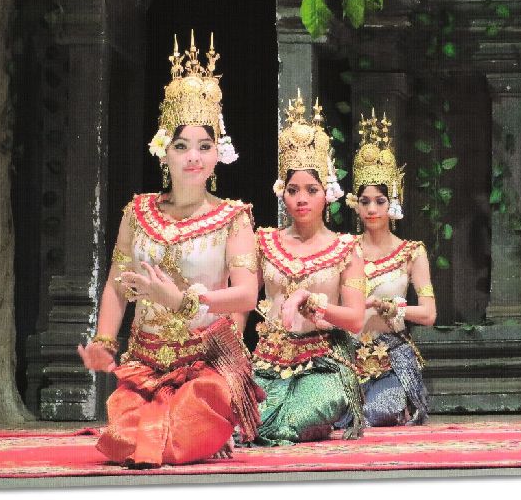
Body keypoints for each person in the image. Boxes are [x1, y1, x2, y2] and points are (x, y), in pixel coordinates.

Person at [78, 31, 263, 468]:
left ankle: (210, 428)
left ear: (220, 153)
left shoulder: (234, 217)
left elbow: (247, 296)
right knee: (121, 442)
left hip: (206, 365)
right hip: (145, 366)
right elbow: (117, 287)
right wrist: (104, 340)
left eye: (204, 146)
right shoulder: (137, 212)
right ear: (164, 152)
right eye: (181, 147)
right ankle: (204, 434)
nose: (193, 157)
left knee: (178, 434)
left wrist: (182, 301)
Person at [241, 90, 368, 446]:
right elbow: (242, 302)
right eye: (293, 189)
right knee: (245, 422)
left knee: (291, 422)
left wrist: (310, 301)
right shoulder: (263, 242)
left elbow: (356, 319)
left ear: (327, 193)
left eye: (311, 190)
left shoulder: (347, 248)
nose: (301, 199)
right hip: (267, 360)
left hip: (324, 363)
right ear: (282, 192)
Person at [338, 109, 436, 428]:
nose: (371, 209)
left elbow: (429, 313)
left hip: (392, 355)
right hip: (346, 354)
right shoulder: (344, 250)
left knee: (381, 411)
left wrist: (386, 305)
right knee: (333, 411)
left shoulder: (411, 253)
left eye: (380, 201)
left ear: (393, 201)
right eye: (364, 201)